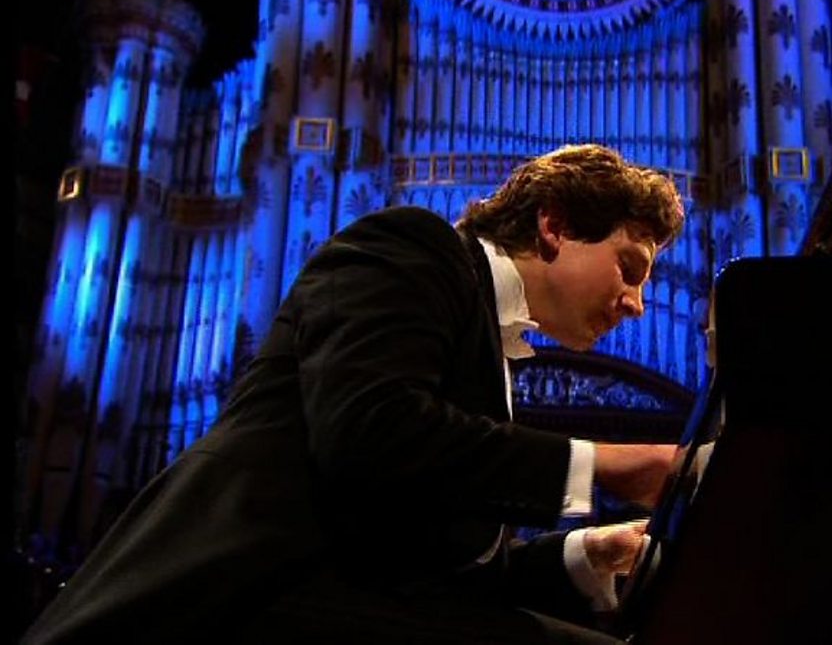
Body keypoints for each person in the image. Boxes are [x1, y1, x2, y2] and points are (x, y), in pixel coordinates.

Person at [22, 144, 684, 644]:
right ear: (554, 226)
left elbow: (438, 570)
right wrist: (611, 465)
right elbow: (372, 431)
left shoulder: (490, 339)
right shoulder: (414, 249)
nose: (636, 303)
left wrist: (585, 553)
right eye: (629, 268)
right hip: (240, 595)